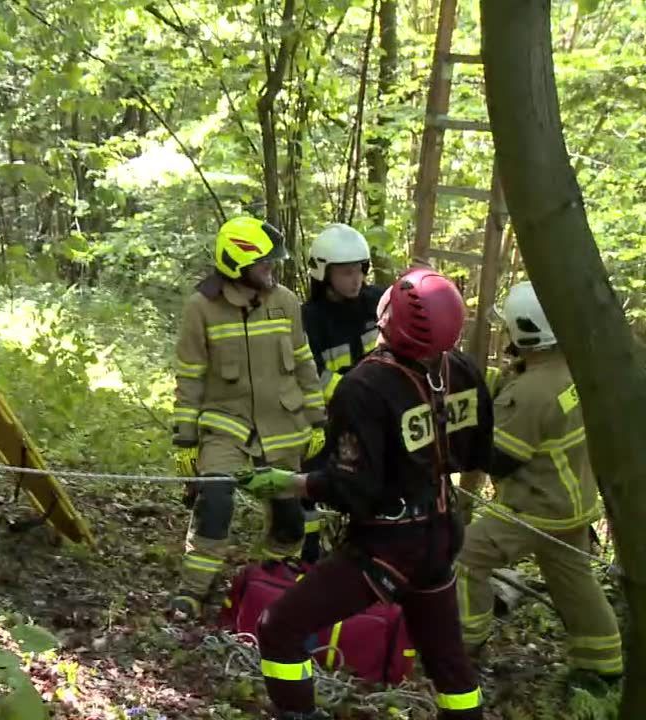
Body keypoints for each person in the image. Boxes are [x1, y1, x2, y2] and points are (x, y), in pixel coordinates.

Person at [243, 268, 491, 719]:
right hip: (440, 535)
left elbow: (353, 489)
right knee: (450, 667)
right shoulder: (463, 371)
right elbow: (474, 454)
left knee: (278, 626)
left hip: (387, 547)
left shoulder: (365, 386)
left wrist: (291, 482)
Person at [456, 281, 622, 688]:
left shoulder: (530, 392)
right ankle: (603, 663)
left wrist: (457, 438)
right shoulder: (571, 371)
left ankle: (464, 644)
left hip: (534, 510)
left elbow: (501, 458)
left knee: (464, 555)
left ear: (523, 330)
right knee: (574, 580)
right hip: (572, 505)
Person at [168, 215, 326, 619]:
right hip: (226, 424)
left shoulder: (286, 302)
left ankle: (268, 582)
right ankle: (193, 590)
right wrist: (186, 439)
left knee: (290, 519)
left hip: (283, 425)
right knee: (216, 501)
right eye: (264, 263)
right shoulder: (201, 308)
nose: (271, 269)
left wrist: (318, 419)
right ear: (237, 265)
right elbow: (190, 378)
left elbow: (305, 363)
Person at [298, 223, 384, 560]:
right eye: (346, 272)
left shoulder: (379, 304)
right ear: (323, 273)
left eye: (359, 270)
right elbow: (310, 374)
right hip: (327, 421)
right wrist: (353, 396)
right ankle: (307, 553)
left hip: (379, 417)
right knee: (311, 483)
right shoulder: (309, 320)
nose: (355, 279)